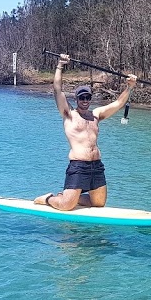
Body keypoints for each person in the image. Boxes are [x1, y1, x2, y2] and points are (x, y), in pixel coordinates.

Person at [34, 53, 136, 211]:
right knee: (66, 206)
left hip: (97, 165)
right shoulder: (69, 114)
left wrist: (129, 86)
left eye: (88, 97)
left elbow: (117, 103)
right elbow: (57, 90)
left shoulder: (96, 115)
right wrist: (60, 65)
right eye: (82, 98)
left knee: (99, 203)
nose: (85, 101)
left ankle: (68, 196)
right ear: (76, 99)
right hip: (78, 166)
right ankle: (48, 198)